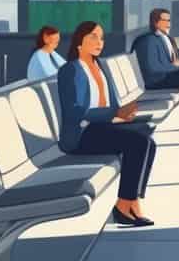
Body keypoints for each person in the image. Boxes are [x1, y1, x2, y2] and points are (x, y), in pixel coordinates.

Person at [58, 21, 156, 227]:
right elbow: (75, 111)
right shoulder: (71, 70)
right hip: (81, 134)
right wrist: (114, 113)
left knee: (148, 137)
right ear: (79, 41)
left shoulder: (99, 66)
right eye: (93, 36)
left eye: (101, 37)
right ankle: (124, 206)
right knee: (138, 142)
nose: (99, 42)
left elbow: (110, 103)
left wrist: (122, 114)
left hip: (102, 126)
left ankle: (131, 201)